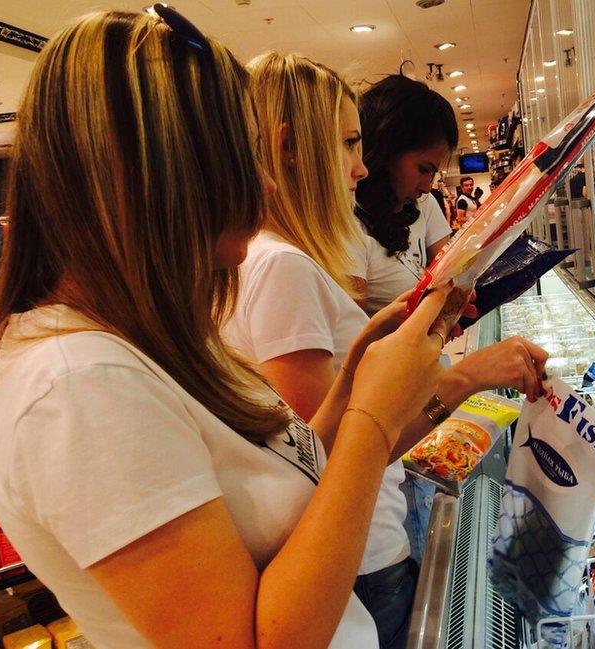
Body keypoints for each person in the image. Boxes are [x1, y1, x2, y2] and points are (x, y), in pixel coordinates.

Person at [0, 9, 456, 648]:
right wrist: (374, 423)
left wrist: (357, 377)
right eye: (241, 155)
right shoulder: (77, 384)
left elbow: (280, 488)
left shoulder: (147, 338)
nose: (264, 183)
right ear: (156, 169)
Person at [225, 55, 549, 649]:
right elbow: (334, 457)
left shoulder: (281, 261)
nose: (359, 167)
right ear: (289, 147)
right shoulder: (283, 269)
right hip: (359, 556)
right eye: (348, 144)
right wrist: (467, 378)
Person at [351, 75, 456, 316]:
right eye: (424, 169)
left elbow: (451, 273)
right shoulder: (346, 224)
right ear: (386, 149)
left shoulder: (418, 204)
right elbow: (357, 341)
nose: (428, 187)